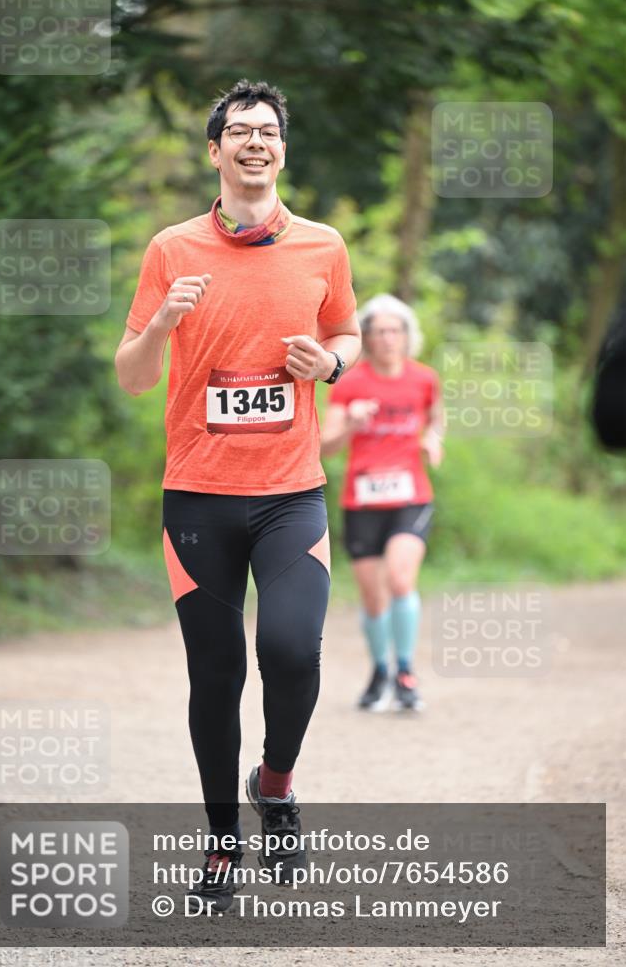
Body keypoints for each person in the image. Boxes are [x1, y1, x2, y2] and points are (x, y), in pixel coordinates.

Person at [115, 79, 361, 913]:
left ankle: (277, 783)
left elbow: (347, 333)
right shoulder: (170, 251)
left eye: (269, 131)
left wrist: (329, 365)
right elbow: (134, 378)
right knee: (214, 677)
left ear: (282, 150)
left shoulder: (322, 245)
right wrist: (159, 325)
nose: (255, 141)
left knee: (292, 652)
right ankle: (221, 842)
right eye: (240, 131)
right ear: (215, 150)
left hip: (291, 493)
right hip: (197, 499)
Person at [320, 294, 443, 713]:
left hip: (411, 498)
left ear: (408, 336)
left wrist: (433, 440)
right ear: (367, 339)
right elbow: (325, 446)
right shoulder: (350, 383)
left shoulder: (424, 379)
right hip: (362, 500)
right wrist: (352, 423)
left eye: (396, 331)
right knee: (373, 599)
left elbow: (436, 418)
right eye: (379, 332)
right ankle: (379, 671)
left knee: (401, 578)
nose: (388, 339)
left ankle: (405, 671)